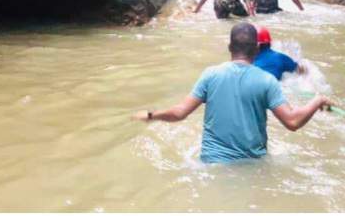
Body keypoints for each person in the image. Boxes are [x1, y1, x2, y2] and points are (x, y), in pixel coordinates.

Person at [133, 23, 332, 163]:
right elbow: (292, 122)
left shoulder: (210, 74)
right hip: (253, 166)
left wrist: (151, 115)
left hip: (211, 163)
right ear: (256, 48)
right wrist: (317, 100)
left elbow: (179, 113)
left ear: (229, 47)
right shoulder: (267, 81)